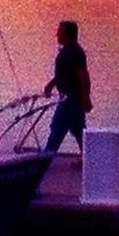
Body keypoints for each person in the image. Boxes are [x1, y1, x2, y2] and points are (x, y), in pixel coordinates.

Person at [43, 20, 92, 154]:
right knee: (78, 129)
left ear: (68, 34)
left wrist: (85, 99)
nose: (57, 35)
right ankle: (88, 157)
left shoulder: (75, 52)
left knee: (58, 126)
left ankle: (47, 155)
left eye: (60, 32)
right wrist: (52, 84)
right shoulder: (67, 51)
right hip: (67, 94)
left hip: (70, 97)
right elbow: (65, 72)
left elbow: (83, 77)